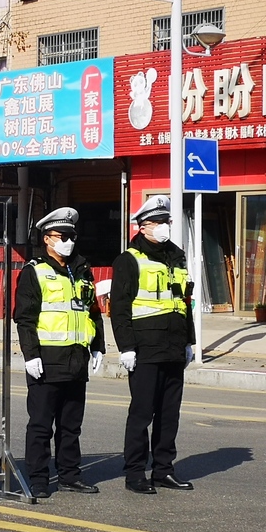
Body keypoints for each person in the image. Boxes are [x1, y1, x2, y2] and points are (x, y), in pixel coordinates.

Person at [14, 207, 106, 499]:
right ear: (47, 239)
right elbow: (24, 318)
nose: (68, 240)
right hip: (47, 359)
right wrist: (30, 355)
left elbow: (93, 312)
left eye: (71, 235)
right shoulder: (35, 271)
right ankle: (39, 478)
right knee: (41, 425)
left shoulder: (81, 270)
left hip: (76, 360)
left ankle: (69, 475)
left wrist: (98, 347)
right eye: (62, 236)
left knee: (71, 426)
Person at [110, 195, 196, 494]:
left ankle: (164, 470)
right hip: (145, 348)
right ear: (143, 227)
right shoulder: (129, 260)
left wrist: (190, 342)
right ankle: (135, 473)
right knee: (142, 413)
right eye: (157, 222)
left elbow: (183, 302)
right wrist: (126, 347)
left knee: (169, 414)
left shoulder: (177, 256)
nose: (163, 227)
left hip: (173, 346)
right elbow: (119, 308)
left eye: (166, 222)